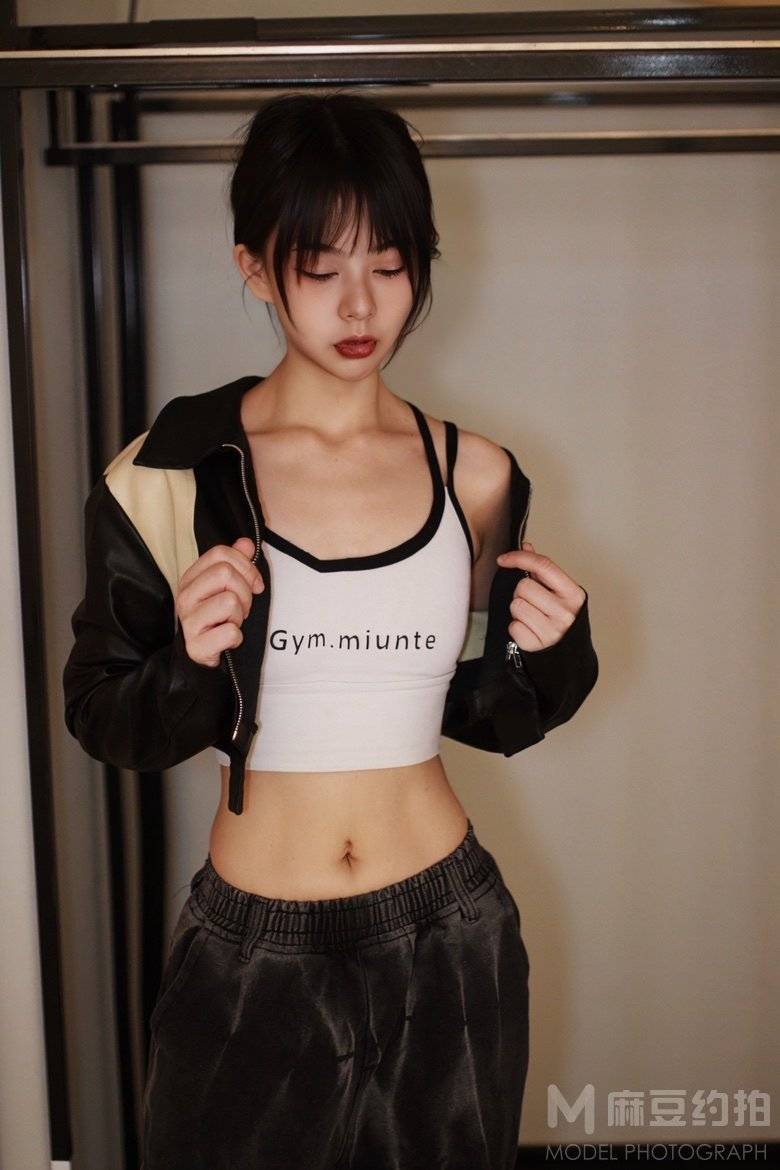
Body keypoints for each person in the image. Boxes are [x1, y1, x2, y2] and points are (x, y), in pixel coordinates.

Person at [63, 91, 598, 1170]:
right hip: (249, 947)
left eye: (391, 266)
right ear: (255, 268)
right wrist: (190, 660)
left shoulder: (477, 475)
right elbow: (104, 716)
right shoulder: (168, 476)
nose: (362, 304)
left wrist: (557, 652)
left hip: (449, 932)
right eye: (319, 268)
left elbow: (491, 714)